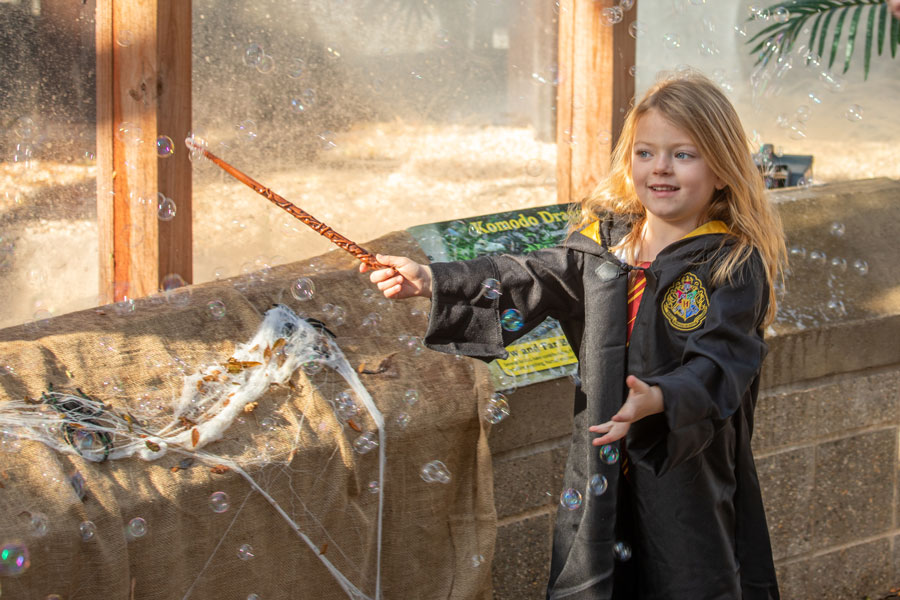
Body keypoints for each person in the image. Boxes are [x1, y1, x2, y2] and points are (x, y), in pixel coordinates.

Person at [362, 72, 786, 600]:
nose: (660, 167)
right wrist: (434, 280)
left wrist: (659, 398)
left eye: (684, 154)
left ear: (722, 168)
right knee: (594, 569)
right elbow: (527, 275)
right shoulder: (601, 248)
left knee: (688, 574)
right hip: (602, 455)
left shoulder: (730, 264)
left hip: (685, 461)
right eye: (645, 151)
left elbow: (724, 361)